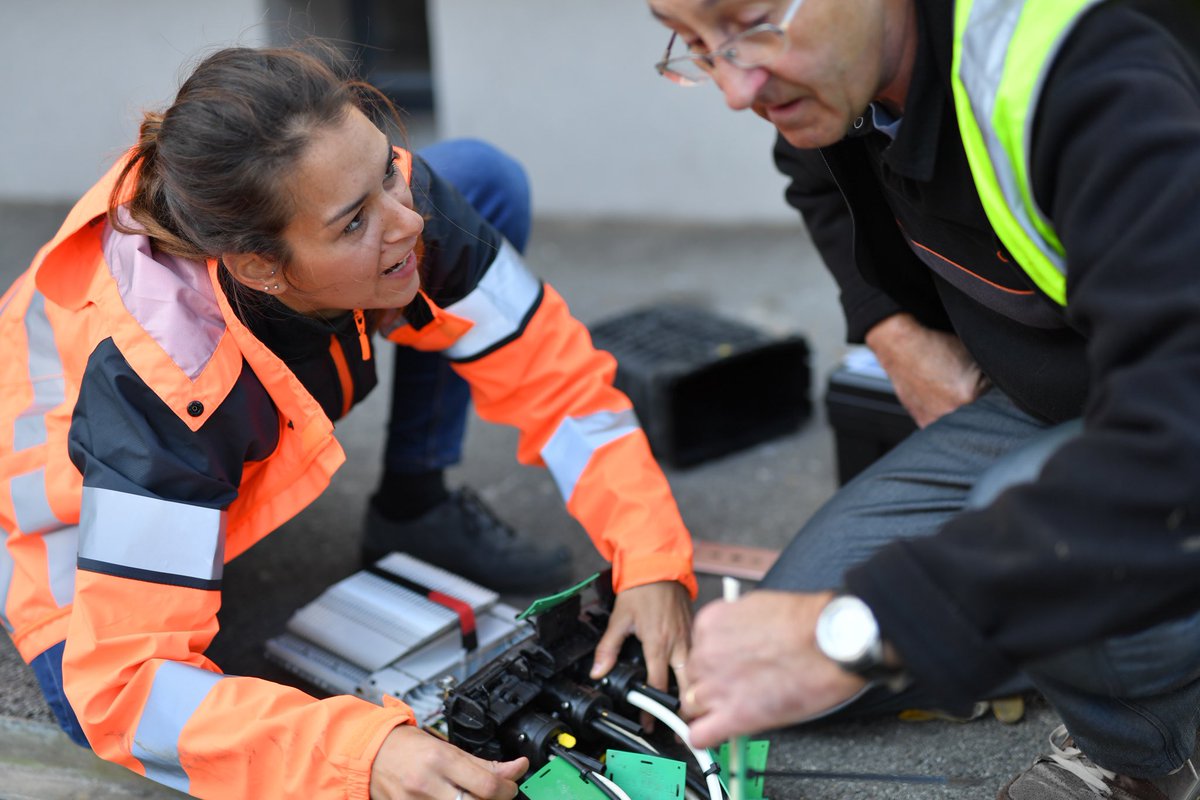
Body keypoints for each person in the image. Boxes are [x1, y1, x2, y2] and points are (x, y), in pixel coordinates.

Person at [0, 43, 697, 799]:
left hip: (198, 447)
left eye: (386, 170)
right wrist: (362, 754)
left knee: (479, 179)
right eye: (354, 221)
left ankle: (414, 505)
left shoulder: (381, 197)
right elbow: (125, 689)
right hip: (63, 519)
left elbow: (558, 384)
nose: (408, 221)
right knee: (116, 707)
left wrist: (653, 556)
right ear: (260, 266)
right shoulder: (160, 383)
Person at [645, 0, 1200, 797]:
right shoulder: (831, 74)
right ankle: (1067, 628)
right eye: (695, 44)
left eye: (751, 21)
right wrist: (891, 330)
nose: (735, 85)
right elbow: (815, 177)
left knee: (1006, 535)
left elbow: (1175, 432)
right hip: (1051, 397)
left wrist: (872, 626)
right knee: (771, 657)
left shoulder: (1083, 71)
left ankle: (1149, 759)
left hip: (1167, 413)